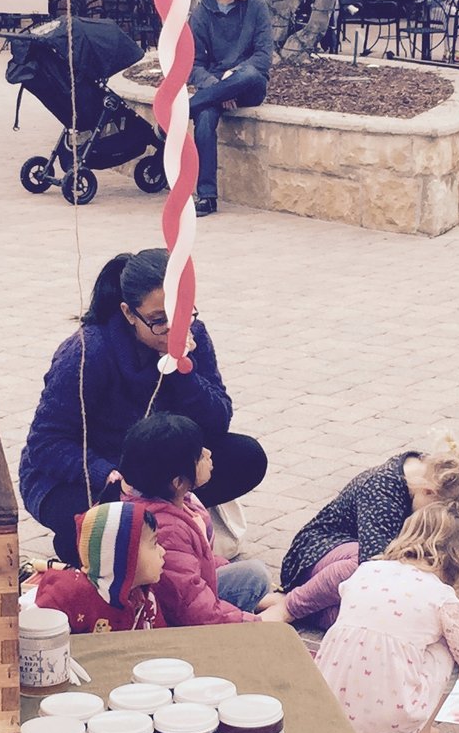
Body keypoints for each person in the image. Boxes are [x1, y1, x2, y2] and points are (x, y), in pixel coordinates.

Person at [17, 247, 269, 565]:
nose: (174, 329)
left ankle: (164, 528)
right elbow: (46, 443)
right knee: (109, 538)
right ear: (128, 313)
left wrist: (182, 369)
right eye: (158, 320)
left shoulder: (195, 336)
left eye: (183, 314)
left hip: (152, 472)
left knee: (246, 456)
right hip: (83, 477)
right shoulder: (88, 352)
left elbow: (217, 422)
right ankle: (110, 538)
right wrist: (108, 474)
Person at [308, 506, 459, 733]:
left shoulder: (367, 570)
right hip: (383, 725)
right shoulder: (443, 599)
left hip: (325, 716)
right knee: (449, 646)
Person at [277, 438, 459, 629]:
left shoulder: (434, 479)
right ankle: (288, 607)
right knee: (364, 570)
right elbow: (374, 568)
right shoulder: (382, 489)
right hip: (317, 557)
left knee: (385, 621)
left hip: (371, 574)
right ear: (429, 491)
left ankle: (293, 604)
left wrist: (440, 607)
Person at [117, 413, 279, 621]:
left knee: (249, 574)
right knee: (255, 576)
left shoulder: (179, 501)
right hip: (177, 617)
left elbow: (199, 561)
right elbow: (190, 606)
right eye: (200, 456)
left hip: (192, 590)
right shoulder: (168, 529)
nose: (209, 454)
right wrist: (255, 622)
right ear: (177, 482)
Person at [186, 0, 271, 217]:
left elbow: (263, 57)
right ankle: (207, 196)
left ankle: (182, 112)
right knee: (205, 120)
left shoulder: (256, 7)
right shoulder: (202, 14)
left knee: (246, 75)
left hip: (249, 83)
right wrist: (216, 84)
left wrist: (233, 75)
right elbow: (193, 64)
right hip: (214, 86)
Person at [30, 499, 164, 633]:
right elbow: (33, 630)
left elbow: (162, 641)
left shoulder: (144, 600)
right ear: (123, 556)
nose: (162, 551)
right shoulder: (69, 595)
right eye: (154, 544)